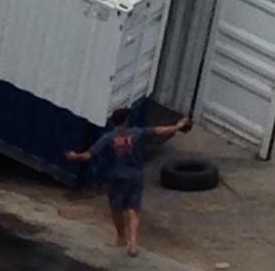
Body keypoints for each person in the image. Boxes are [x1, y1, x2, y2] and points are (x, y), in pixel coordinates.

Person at [65, 108, 190, 258]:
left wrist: (74, 156)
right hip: (135, 176)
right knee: (133, 209)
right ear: (126, 120)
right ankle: (133, 243)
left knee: (116, 208)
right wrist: (178, 125)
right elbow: (161, 131)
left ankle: (120, 237)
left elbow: (87, 156)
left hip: (116, 177)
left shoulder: (107, 138)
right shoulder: (138, 133)